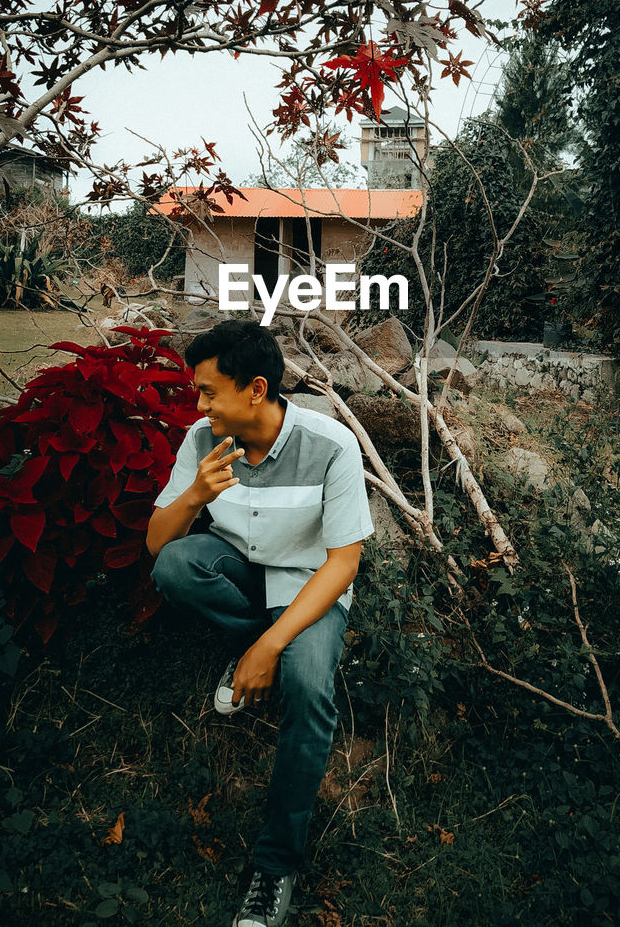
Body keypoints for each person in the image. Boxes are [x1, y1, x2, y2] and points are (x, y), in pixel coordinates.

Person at [146, 319, 374, 927]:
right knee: (176, 567)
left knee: (307, 687)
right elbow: (155, 545)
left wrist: (274, 643)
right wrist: (193, 496)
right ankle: (250, 646)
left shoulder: (330, 445)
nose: (197, 404)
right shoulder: (203, 440)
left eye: (207, 391)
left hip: (307, 587)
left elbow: (344, 562)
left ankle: (274, 867)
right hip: (242, 573)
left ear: (254, 389)